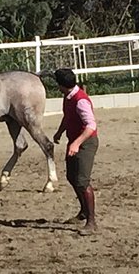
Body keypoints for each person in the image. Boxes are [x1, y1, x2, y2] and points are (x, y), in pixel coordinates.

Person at [52, 68, 98, 236]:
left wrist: (76, 143)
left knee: (82, 181)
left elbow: (91, 125)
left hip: (85, 143)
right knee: (72, 177)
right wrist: (60, 132)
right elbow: (67, 117)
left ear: (61, 85)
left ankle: (91, 221)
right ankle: (84, 212)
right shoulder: (69, 96)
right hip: (75, 142)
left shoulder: (80, 101)